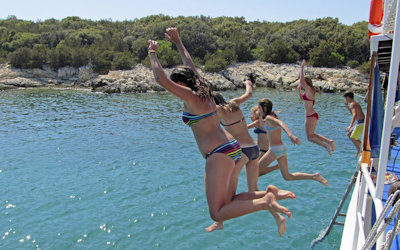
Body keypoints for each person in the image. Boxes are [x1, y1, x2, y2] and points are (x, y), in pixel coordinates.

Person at [148, 27, 293, 236]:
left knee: (217, 213)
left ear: (180, 84)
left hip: (218, 153)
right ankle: (267, 194)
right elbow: (190, 64)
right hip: (232, 147)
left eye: (176, 84)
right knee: (229, 202)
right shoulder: (205, 90)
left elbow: (161, 79)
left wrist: (153, 53)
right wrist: (178, 42)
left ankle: (266, 202)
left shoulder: (190, 96)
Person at [257, 98, 329, 186]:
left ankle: (276, 167)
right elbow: (264, 127)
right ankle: (314, 176)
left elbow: (281, 123)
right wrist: (260, 116)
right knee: (287, 176)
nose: (257, 110)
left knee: (255, 171)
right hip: (281, 149)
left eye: (259, 108)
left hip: (275, 150)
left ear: (264, 109)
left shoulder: (269, 118)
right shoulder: (271, 116)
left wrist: (290, 135)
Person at [212, 78, 260, 192]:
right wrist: (248, 83)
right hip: (254, 148)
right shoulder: (234, 103)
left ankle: (229, 208)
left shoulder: (219, 110)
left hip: (241, 150)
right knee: (253, 190)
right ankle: (271, 197)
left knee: (230, 189)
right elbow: (249, 94)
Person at [298, 60, 335, 155]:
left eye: (303, 84)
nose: (302, 85)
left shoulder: (309, 90)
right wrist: (299, 90)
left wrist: (301, 68)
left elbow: (302, 81)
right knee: (312, 135)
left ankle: (326, 145)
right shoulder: (309, 92)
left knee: (309, 137)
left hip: (310, 116)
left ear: (306, 84)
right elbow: (302, 98)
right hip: (312, 115)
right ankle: (329, 142)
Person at [247, 106, 279, 176]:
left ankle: (276, 167)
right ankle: (277, 167)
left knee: (254, 173)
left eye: (253, 113)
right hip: (258, 149)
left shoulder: (262, 122)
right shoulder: (259, 122)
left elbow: (247, 127)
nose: (252, 115)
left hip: (263, 150)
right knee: (256, 173)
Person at [344, 91, 365, 157]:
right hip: (360, 122)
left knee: (353, 137)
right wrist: (347, 106)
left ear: (348, 97)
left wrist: (350, 125)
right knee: (349, 134)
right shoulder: (355, 103)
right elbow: (353, 113)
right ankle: (359, 149)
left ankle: (364, 147)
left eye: (345, 98)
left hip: (361, 122)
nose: (345, 100)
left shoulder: (353, 104)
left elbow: (354, 115)